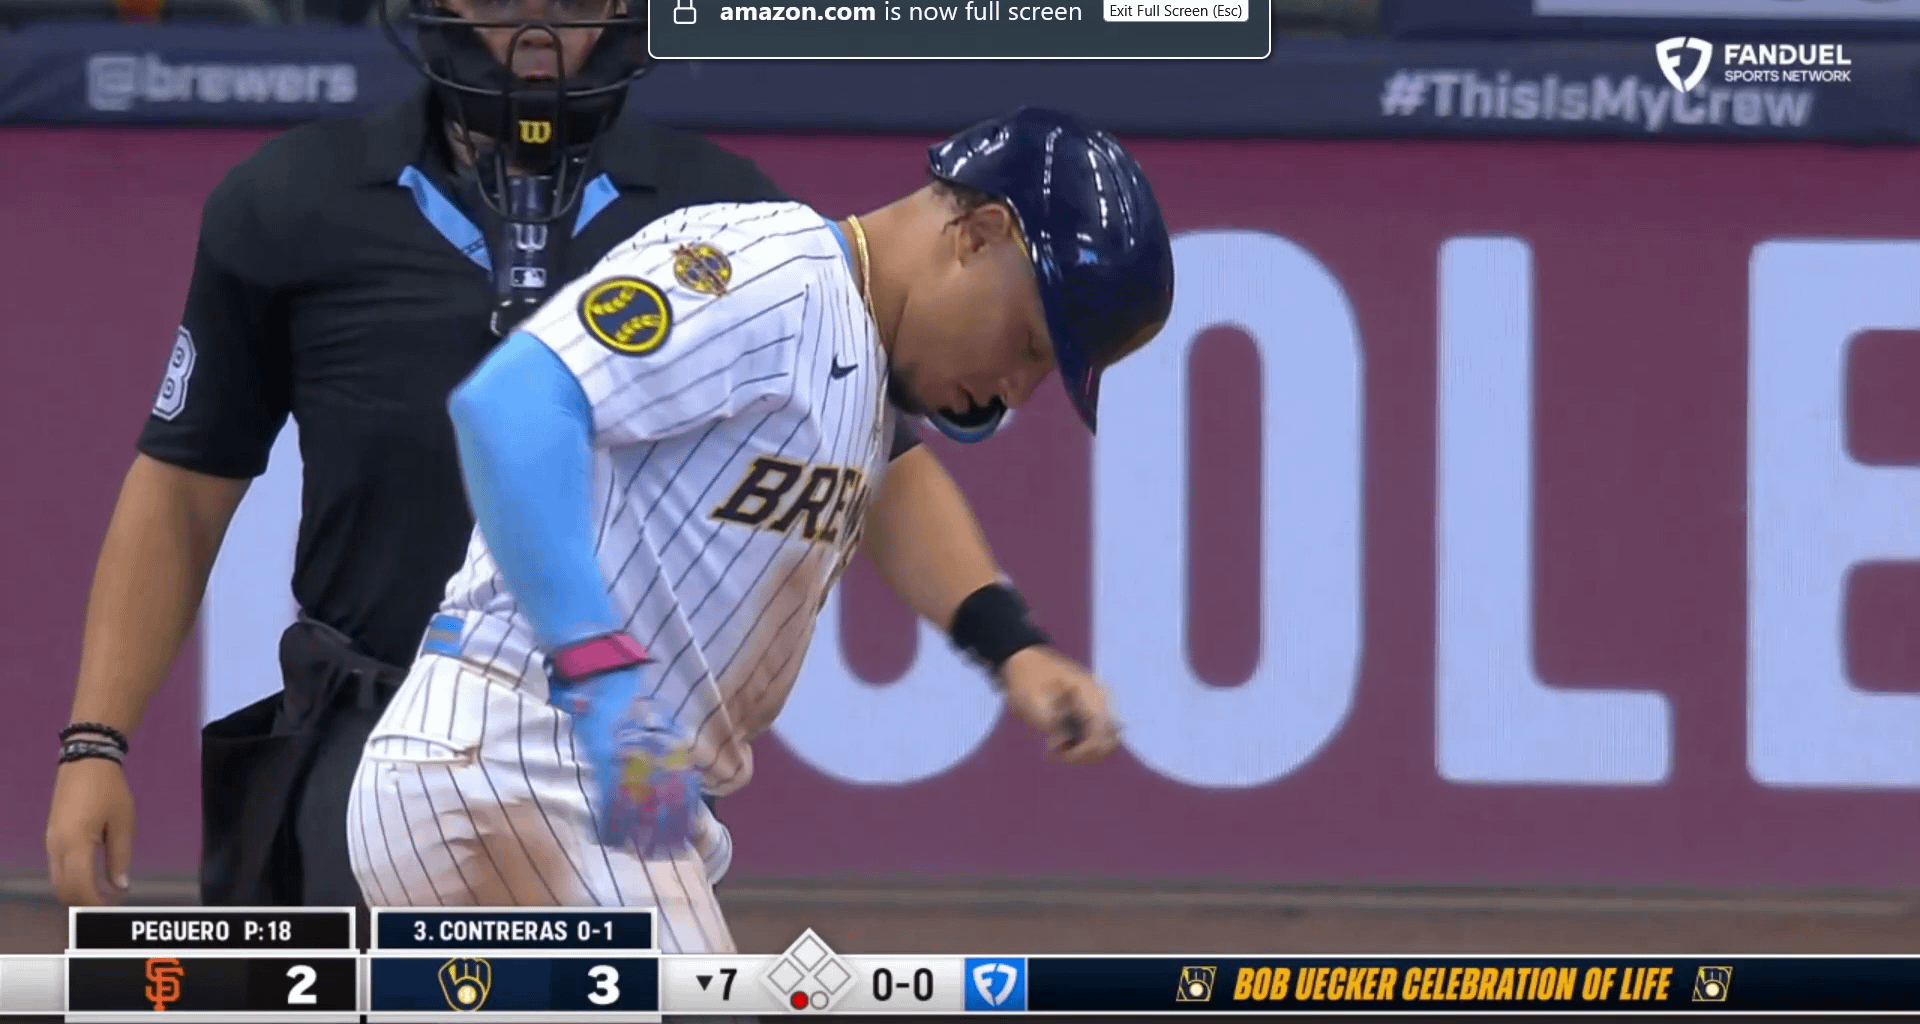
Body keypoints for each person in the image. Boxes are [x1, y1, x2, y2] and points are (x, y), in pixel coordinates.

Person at [345, 106, 1170, 951]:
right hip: (518, 760)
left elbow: (895, 486)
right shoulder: (765, 275)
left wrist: (1012, 646)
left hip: (562, 785)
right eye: (1030, 344)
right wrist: (599, 673)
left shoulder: (855, 356)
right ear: (978, 235)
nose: (1018, 390)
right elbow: (510, 404)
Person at [43, 0, 802, 910]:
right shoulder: (291, 201)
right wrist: (96, 743)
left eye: (572, 2)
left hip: (602, 750)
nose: (538, 33)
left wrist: (1008, 643)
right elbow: (182, 489)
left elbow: (878, 455)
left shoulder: (730, 221)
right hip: (362, 741)